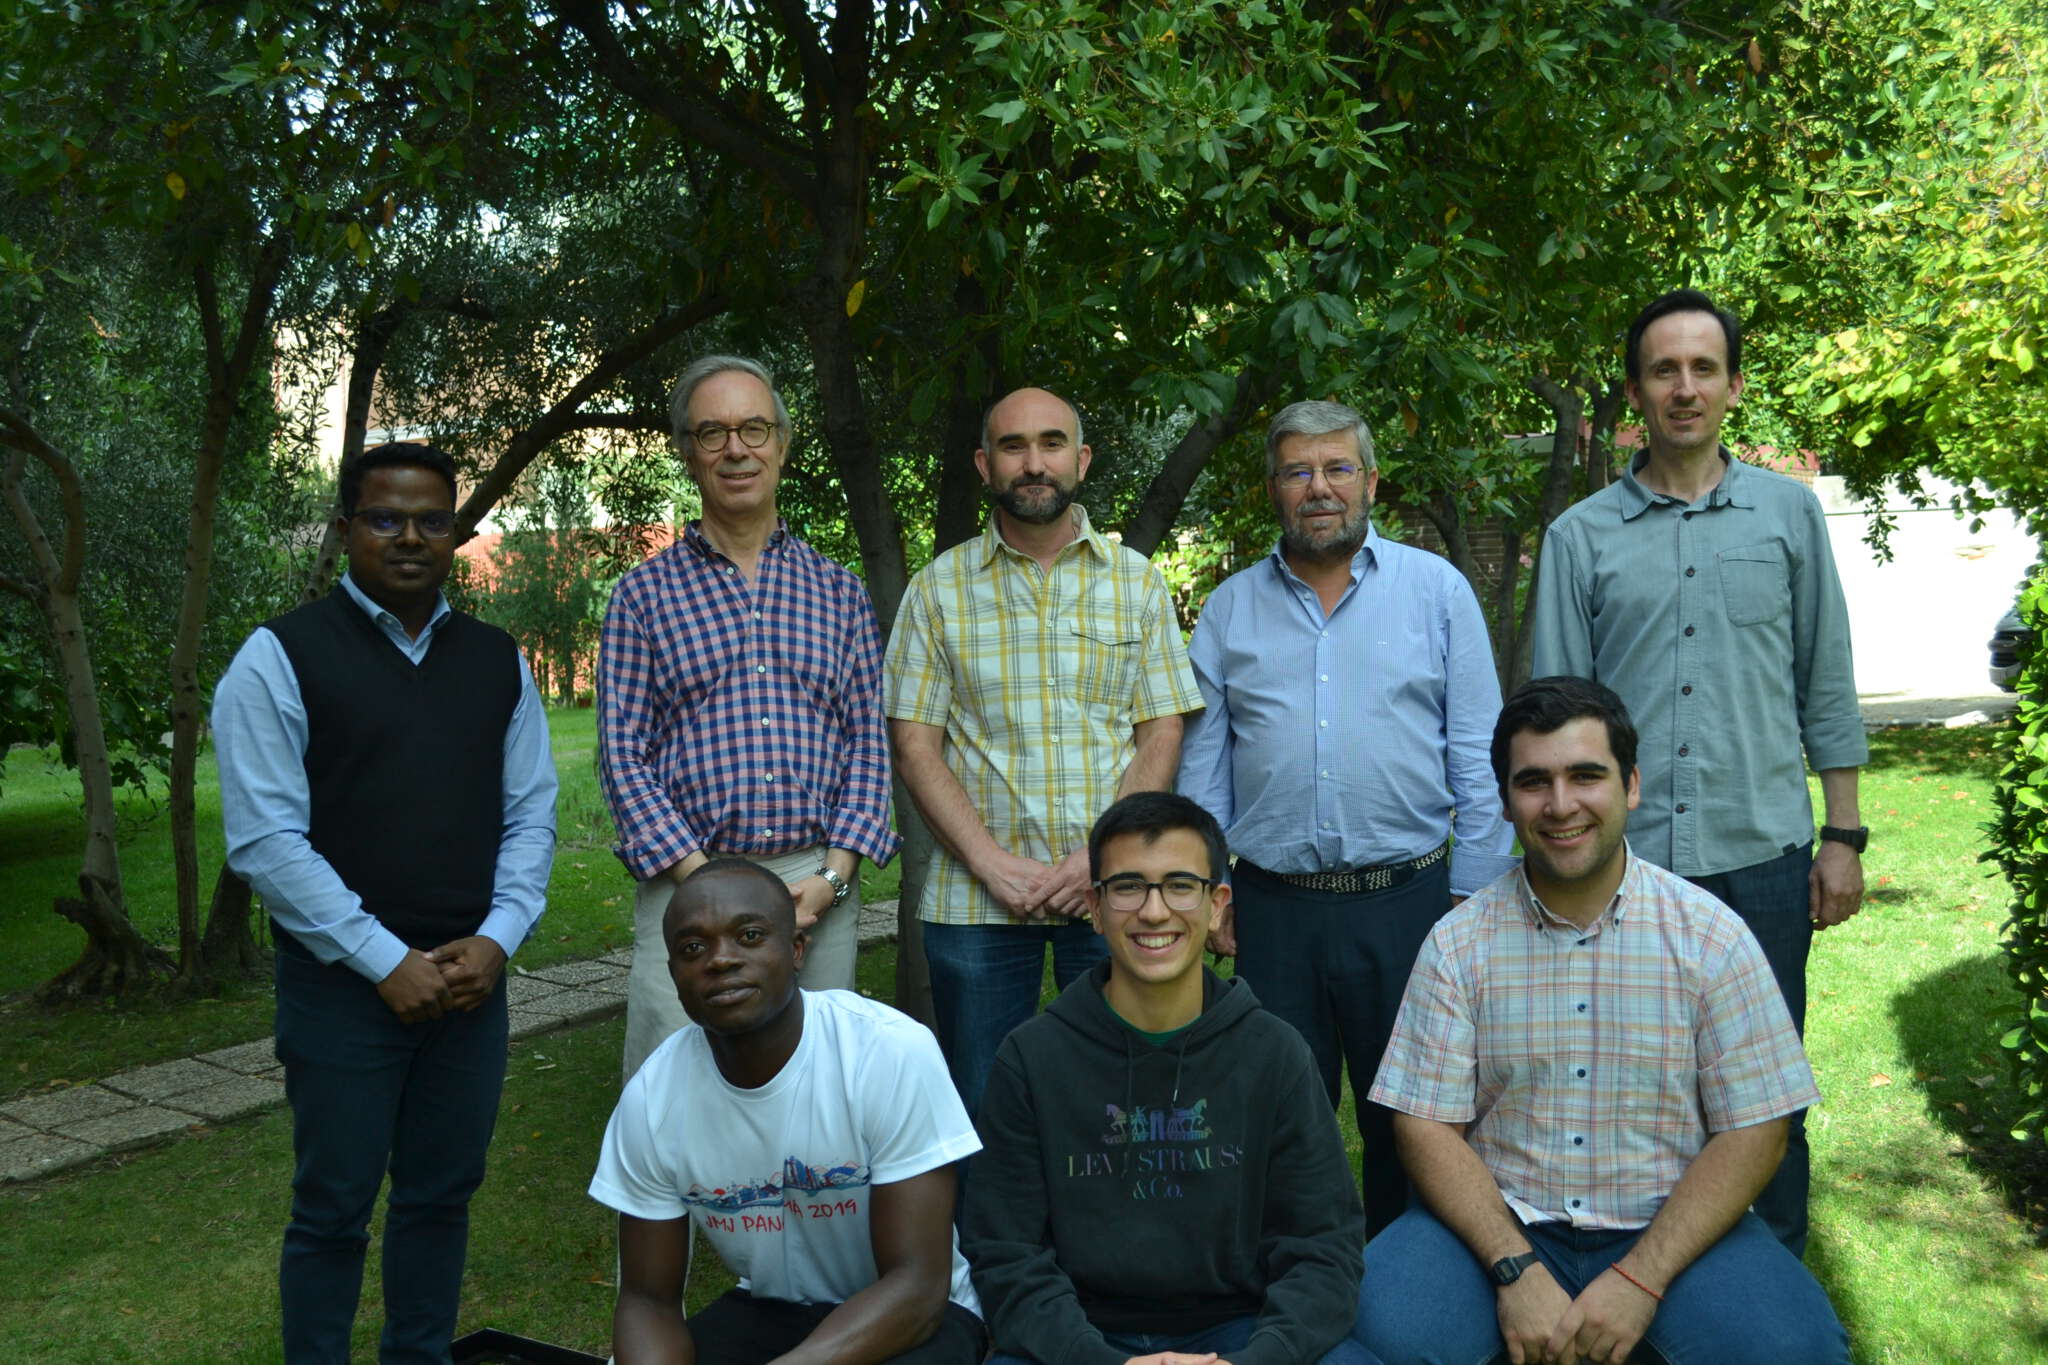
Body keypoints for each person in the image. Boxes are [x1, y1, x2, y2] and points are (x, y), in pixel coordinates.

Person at [1352, 676, 1850, 1365]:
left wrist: (1643, 1275)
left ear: (1631, 784)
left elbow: (1757, 1129)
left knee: (1797, 1348)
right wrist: (1512, 1266)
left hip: (1672, 1222)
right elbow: (1423, 1122)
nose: (1561, 805)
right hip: (1500, 1222)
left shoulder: (1711, 936)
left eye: (1586, 775)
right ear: (1504, 799)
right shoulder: (1458, 942)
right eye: (1534, 782)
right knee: (1368, 1333)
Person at [1528, 289, 1868, 1254]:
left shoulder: (1791, 515)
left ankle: (1767, 1301)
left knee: (1762, 1100)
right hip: (1620, 870)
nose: (1685, 388)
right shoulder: (1580, 538)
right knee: (1624, 1087)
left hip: (1760, 856)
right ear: (1635, 391)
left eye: (1703, 368)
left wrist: (1842, 834)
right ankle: (1630, 1282)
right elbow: (1553, 719)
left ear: (1733, 385)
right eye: (1664, 370)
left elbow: (1826, 682)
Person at [213, 442, 558, 1364]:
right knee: (331, 1210)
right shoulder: (277, 658)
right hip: (342, 993)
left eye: (431, 519)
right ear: (344, 529)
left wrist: (498, 940)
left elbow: (531, 816)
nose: (410, 537)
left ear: (457, 533)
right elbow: (266, 842)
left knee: (441, 1197)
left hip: (469, 986)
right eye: (384, 518)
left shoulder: (497, 661)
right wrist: (383, 960)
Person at [1177, 398, 1515, 1237]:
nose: (1318, 487)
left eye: (1336, 469)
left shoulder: (1437, 591)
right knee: (1277, 1118)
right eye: (1298, 471)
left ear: (1369, 481)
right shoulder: (1227, 611)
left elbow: (1479, 751)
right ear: (1273, 490)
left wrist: (1468, 895)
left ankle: (1409, 1293)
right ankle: (1299, 1287)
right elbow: (1203, 769)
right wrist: (1210, 890)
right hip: (1271, 911)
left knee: (1415, 1118)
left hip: (1408, 904)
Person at [964, 791, 1380, 1365]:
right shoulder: (1032, 1059)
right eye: (1128, 886)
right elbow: (1006, 1253)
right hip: (1079, 1336)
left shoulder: (1274, 1054)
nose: (1154, 911)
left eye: (1180, 885)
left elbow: (1323, 1246)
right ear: (1095, 904)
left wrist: (1259, 1358)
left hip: (1241, 1331)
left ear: (1217, 905)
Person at [886, 386, 1203, 1117]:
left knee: (1126, 1098)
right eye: (1013, 446)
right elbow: (914, 745)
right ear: (984, 463)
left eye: (1052, 443)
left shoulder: (1137, 585)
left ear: (1082, 460)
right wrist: (992, 863)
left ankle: (1112, 1235)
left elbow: (1161, 731)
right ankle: (993, 1238)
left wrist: (1103, 860)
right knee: (981, 1109)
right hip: (977, 902)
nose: (1034, 463)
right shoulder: (938, 591)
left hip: (1119, 894)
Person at [600, 355, 897, 1081]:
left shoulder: (840, 592)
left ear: (783, 446)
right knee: (674, 1083)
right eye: (713, 433)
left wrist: (831, 876)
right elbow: (621, 754)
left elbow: (868, 745)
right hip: (688, 884)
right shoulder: (641, 597)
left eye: (754, 429)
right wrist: (708, 881)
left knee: (819, 1085)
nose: (736, 449)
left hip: (813, 888)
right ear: (687, 452)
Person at [588, 860, 986, 1365]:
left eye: (750, 936)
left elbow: (916, 1286)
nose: (720, 960)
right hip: (771, 1308)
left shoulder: (887, 1052)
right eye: (693, 948)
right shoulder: (652, 1099)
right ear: (675, 975)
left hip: (917, 1316)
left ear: (796, 950)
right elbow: (648, 1302)